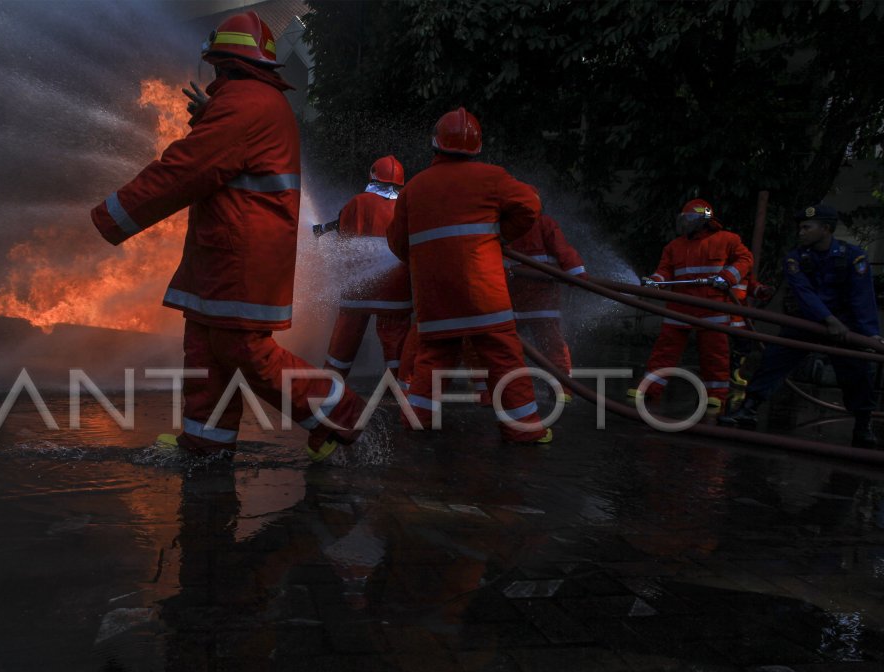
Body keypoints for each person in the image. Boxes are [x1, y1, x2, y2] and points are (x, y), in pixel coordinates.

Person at [90, 11, 364, 462]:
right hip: (224, 256)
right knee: (205, 351)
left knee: (245, 353)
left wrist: (112, 217)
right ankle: (205, 445)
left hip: (239, 260)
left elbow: (186, 170)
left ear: (222, 63)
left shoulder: (245, 105)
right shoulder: (249, 104)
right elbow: (228, 158)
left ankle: (341, 412)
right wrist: (210, 117)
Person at [386, 107, 551, 444]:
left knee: (433, 358)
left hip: (435, 297)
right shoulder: (492, 177)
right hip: (483, 294)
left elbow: (397, 243)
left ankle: (416, 420)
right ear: (477, 147)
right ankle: (525, 429)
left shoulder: (413, 189)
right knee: (503, 357)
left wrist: (426, 263)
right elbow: (530, 206)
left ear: (436, 144)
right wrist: (501, 235)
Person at [719, 204, 883, 447]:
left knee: (858, 372)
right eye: (800, 227)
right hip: (810, 321)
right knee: (775, 359)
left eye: (807, 227)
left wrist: (871, 334)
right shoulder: (795, 258)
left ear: (826, 229)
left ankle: (863, 424)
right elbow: (804, 294)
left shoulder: (853, 257)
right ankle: (749, 408)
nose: (801, 232)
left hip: (844, 327)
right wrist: (828, 320)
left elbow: (862, 297)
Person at [628, 198, 753, 411]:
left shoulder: (727, 239)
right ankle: (650, 389)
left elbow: (745, 259)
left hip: (712, 309)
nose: (684, 224)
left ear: (702, 220)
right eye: (682, 219)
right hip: (679, 308)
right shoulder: (674, 246)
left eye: (688, 219)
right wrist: (655, 282)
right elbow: (664, 271)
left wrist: (727, 277)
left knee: (715, 355)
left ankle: (716, 395)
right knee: (664, 352)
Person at [315, 156, 412, 382]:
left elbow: (344, 236)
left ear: (373, 176)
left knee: (345, 337)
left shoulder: (357, 202)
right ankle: (398, 386)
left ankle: (330, 383)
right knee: (395, 339)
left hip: (357, 287)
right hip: (396, 290)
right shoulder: (406, 205)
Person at [504, 213, 589, 402]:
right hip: (542, 302)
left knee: (506, 347)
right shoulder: (546, 223)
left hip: (516, 302)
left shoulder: (508, 224)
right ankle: (562, 390)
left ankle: (507, 390)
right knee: (552, 348)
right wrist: (577, 274)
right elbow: (563, 251)